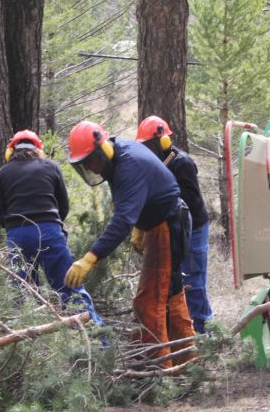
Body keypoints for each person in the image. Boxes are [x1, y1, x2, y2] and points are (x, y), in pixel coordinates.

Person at [63, 121, 195, 367]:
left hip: (167, 226)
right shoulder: (118, 157)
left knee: (150, 300)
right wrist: (140, 227)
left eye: (92, 160)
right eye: (85, 164)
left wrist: (90, 258)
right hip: (161, 222)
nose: (91, 167)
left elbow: (121, 220)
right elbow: (142, 195)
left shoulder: (127, 165)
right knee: (170, 291)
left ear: (103, 150)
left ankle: (159, 368)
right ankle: (185, 360)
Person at [0, 130, 103, 327]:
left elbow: (0, 214)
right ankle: (96, 338)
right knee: (69, 286)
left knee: (23, 292)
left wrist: (16, 228)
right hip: (49, 230)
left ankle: (27, 342)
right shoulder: (51, 167)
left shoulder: (0, 175)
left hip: (17, 234)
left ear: (11, 151)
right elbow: (64, 206)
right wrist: (52, 224)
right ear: (38, 149)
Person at [135, 115, 213, 334]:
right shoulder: (154, 165)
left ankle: (205, 329)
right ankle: (182, 328)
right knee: (175, 281)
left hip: (194, 227)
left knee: (193, 281)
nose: (148, 150)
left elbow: (185, 202)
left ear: (163, 140)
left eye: (151, 144)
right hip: (174, 229)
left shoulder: (182, 163)